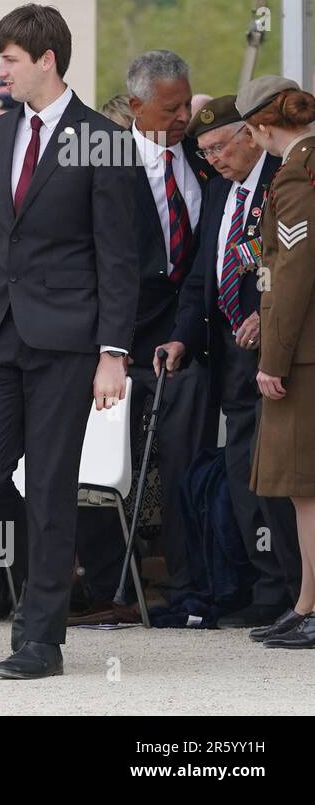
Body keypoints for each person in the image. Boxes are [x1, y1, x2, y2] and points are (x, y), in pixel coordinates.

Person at [0, 4, 137, 679]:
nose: (0, 72)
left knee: (53, 485)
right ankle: (45, 576)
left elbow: (119, 255)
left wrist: (114, 351)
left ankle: (40, 636)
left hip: (67, 338)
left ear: (46, 60)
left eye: (9, 60)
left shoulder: (103, 139)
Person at [73, 50, 209, 620]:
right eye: (171, 108)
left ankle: (189, 587)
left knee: (185, 461)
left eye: (186, 103)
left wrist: (185, 333)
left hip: (187, 341)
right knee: (102, 463)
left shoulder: (206, 158)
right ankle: (107, 589)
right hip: (114, 342)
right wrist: (109, 344)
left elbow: (206, 260)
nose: (183, 117)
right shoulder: (104, 161)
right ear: (135, 107)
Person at [158, 94, 301, 626]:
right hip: (228, 353)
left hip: (278, 353)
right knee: (244, 477)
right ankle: (266, 591)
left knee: (282, 477)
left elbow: (292, 266)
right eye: (205, 151)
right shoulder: (220, 189)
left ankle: (297, 593)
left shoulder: (285, 180)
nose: (213, 159)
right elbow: (201, 274)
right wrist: (180, 337)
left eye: (220, 147)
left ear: (250, 135)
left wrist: (269, 313)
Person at [237, 76, 315, 648]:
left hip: (305, 354)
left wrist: (274, 359)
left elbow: (291, 274)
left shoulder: (296, 174)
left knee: (303, 486)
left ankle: (312, 606)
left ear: (262, 127)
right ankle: (306, 601)